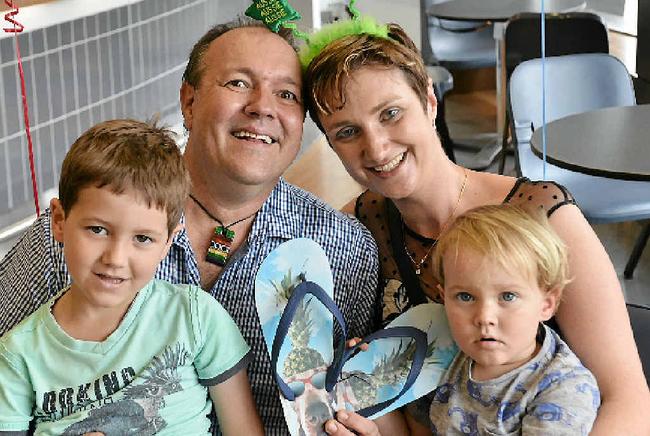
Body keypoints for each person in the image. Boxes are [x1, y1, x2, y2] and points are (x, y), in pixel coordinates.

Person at [0, 17, 380, 435]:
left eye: (286, 94)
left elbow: (357, 397)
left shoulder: (344, 249)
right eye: (237, 83)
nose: (262, 106)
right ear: (189, 101)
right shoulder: (74, 231)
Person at [300, 18, 650, 435]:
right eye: (347, 132)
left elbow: (628, 400)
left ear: (429, 100)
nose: (376, 146)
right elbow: (386, 404)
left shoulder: (541, 213)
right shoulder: (354, 234)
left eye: (391, 113)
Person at [0, 119, 262, 435]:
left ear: (168, 242)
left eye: (142, 238)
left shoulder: (195, 317)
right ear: (59, 220)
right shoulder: (18, 356)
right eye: (97, 230)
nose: (115, 259)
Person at [426, 204, 598, 434]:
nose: (485, 318)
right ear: (443, 298)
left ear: (547, 304)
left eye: (508, 296)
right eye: (465, 296)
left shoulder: (563, 388)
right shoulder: (441, 351)